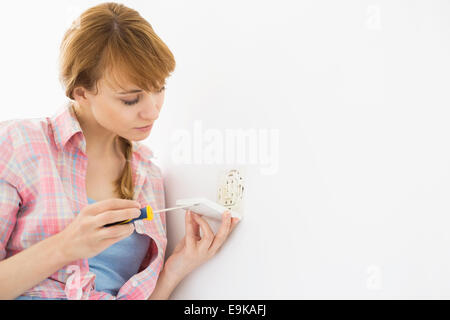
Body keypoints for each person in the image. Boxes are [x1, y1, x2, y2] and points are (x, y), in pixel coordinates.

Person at [0, 2, 240, 300]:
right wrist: (67, 245)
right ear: (82, 93)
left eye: (159, 88)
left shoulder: (148, 176)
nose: (152, 111)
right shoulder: (18, 145)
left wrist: (174, 270)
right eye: (130, 100)